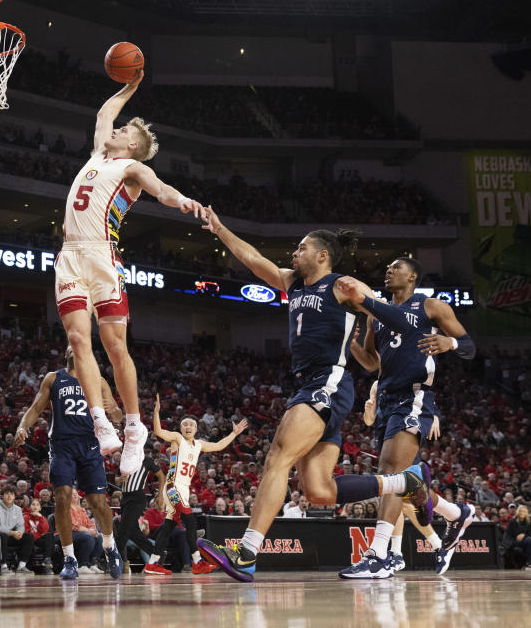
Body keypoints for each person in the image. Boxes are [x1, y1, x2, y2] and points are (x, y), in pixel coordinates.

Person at [195, 215, 427, 583]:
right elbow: (256, 261)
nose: (294, 252)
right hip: (311, 384)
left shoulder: (341, 285)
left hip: (328, 381)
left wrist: (363, 298)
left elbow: (401, 320)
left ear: (322, 256)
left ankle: (246, 552)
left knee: (277, 456)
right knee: (319, 491)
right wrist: (220, 230)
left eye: (301, 248)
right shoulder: (293, 283)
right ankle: (405, 483)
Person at [55, 71, 205, 476]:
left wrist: (183, 201)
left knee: (115, 346)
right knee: (75, 338)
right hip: (69, 255)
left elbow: (163, 190)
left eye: (123, 131)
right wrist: (129, 88)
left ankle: (134, 427)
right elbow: (105, 111)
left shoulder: (132, 169)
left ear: (133, 145)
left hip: (103, 255)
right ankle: (101, 420)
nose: (115, 131)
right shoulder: (96, 155)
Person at [336, 257, 477, 578]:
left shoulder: (431, 307)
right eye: (385, 267)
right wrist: (353, 344)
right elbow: (372, 363)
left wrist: (449, 342)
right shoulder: (377, 316)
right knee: (403, 483)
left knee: (390, 472)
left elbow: (470, 347)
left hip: (414, 396)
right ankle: (456, 513)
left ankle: (379, 555)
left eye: (395, 267)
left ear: (412, 276)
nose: (388, 270)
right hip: (386, 399)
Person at [13, 347, 124, 579]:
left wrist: (113, 410)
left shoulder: (98, 380)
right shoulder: (54, 378)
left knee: (98, 503)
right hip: (62, 446)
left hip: (90, 446)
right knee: (62, 497)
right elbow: (35, 408)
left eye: (79, 344)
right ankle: (69, 559)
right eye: (70, 344)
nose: (75, 346)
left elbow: (117, 415)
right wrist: (22, 427)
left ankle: (109, 547)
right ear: (66, 354)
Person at [144, 395, 247, 575]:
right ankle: (197, 562)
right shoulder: (177, 438)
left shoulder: (199, 445)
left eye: (191, 425)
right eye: (185, 424)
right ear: (180, 428)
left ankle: (153, 562)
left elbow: (219, 445)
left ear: (196, 429)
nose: (188, 427)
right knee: (191, 522)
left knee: (168, 526)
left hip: (184, 489)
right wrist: (156, 413)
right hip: (172, 486)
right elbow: (159, 431)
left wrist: (234, 434)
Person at [115, 455, 166, 573]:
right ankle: (157, 553)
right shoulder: (124, 459)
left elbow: (161, 477)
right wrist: (119, 480)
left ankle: (114, 561)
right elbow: (117, 479)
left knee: (123, 531)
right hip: (125, 498)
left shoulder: (146, 460)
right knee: (133, 533)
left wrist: (161, 495)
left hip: (137, 498)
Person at [0, 485, 35, 575]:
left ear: (14, 496)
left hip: (9, 535)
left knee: (29, 537)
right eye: (6, 494)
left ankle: (21, 566)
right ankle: (3, 567)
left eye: (11, 494)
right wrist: (12, 533)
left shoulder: (18, 509)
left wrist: (20, 533)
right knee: (2, 536)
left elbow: (21, 525)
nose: (9, 496)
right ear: (2, 496)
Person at [504, 504, 531, 569]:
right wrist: (524, 535)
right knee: (530, 540)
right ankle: (529, 562)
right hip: (512, 541)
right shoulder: (513, 521)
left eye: (524, 511)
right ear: (518, 512)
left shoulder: (528, 521)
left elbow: (530, 533)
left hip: (524, 540)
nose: (522, 513)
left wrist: (524, 535)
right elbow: (515, 535)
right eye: (521, 511)